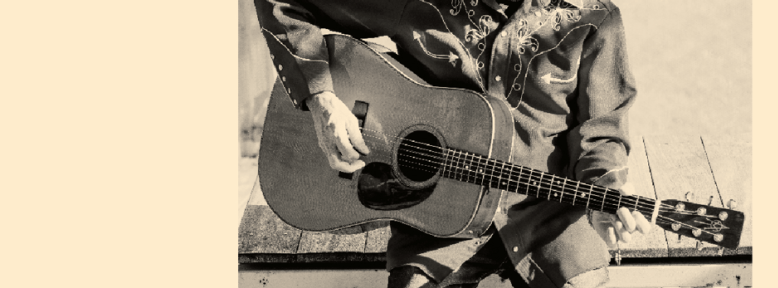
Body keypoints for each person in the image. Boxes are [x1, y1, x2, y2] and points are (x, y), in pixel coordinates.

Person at [253, 0, 649, 287]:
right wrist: (321, 101)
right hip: (436, 216)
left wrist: (604, 194)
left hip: (548, 212)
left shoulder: (595, 19)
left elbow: (603, 129)